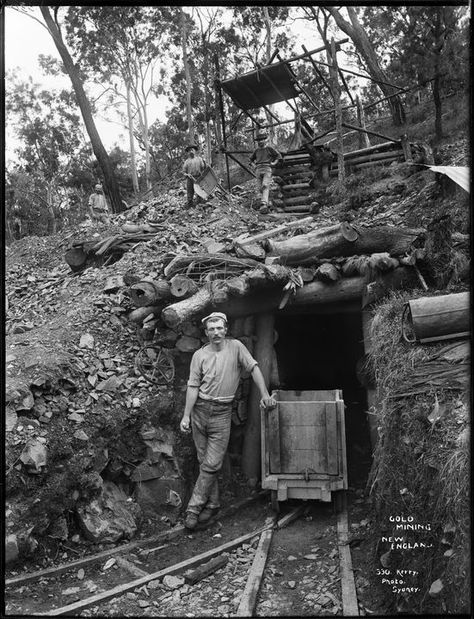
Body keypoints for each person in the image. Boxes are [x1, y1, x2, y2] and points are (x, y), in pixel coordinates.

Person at [180, 312, 276, 530]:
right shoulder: (199, 355)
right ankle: (213, 504)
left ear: (225, 329)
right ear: (206, 333)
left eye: (219, 328)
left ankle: (193, 508)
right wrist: (186, 415)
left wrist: (265, 395)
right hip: (200, 411)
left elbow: (254, 368)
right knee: (204, 460)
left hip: (222, 413)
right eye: (211, 329)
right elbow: (193, 387)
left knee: (212, 463)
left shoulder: (236, 348)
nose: (216, 332)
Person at [249, 131, 282, 214]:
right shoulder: (256, 150)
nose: (260, 142)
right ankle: (269, 202)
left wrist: (273, 163)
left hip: (267, 168)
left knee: (265, 185)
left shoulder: (269, 148)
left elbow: (278, 156)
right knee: (259, 187)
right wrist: (254, 166)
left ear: (265, 140)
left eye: (262, 140)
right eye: (258, 140)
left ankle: (264, 203)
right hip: (258, 169)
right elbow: (250, 160)